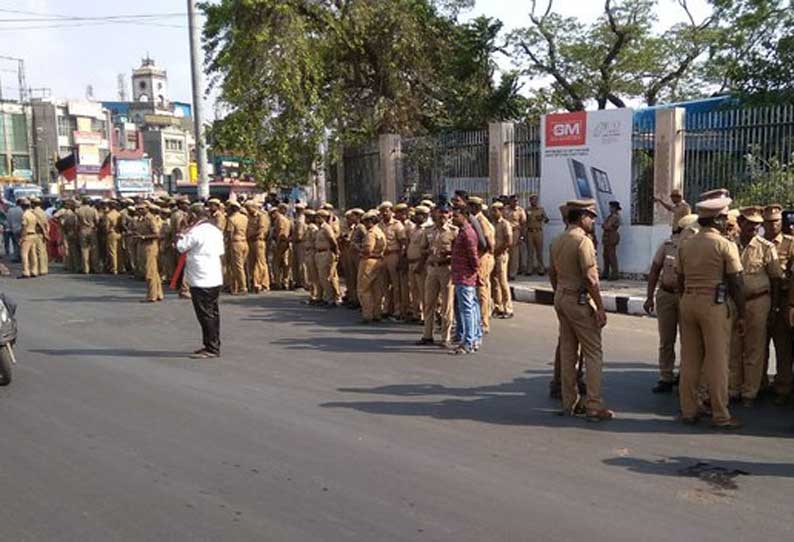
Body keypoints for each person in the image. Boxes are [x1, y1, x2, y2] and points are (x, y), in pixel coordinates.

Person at [676, 194, 744, 429]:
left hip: (688, 301)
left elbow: (680, 278)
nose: (727, 221)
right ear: (716, 220)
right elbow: (736, 281)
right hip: (713, 303)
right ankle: (721, 414)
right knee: (717, 361)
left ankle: (688, 410)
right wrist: (742, 313)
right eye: (724, 217)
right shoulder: (725, 244)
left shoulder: (686, 244)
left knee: (689, 359)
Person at [549, 199, 613, 421]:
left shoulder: (558, 240)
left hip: (562, 297)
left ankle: (569, 403)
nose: (593, 221)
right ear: (582, 217)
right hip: (578, 299)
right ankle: (594, 405)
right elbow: (590, 278)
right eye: (591, 217)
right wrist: (600, 308)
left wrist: (561, 292)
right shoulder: (582, 242)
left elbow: (552, 273)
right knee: (593, 352)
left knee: (568, 351)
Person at [729, 206, 781, 407]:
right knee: (734, 347)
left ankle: (749, 392)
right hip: (735, 302)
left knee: (754, 348)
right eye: (750, 224)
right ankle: (733, 389)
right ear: (741, 223)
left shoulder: (766, 247)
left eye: (757, 225)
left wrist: (774, 308)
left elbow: (776, 279)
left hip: (758, 302)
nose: (754, 228)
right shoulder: (730, 245)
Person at [644, 213, 699, 393]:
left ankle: (685, 375)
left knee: (688, 339)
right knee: (666, 339)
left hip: (686, 296)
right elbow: (654, 271)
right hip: (667, 294)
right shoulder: (667, 246)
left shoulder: (696, 248)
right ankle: (665, 376)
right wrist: (649, 296)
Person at [176, 203, 225, 359]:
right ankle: (211, 344)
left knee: (205, 314)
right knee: (212, 313)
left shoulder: (195, 232)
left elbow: (181, 247)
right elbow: (221, 251)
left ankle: (211, 347)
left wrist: (181, 235)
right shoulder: (215, 230)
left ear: (194, 216)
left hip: (200, 277)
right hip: (213, 275)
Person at [762, 204, 794, 404]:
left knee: (783, 347)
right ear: (763, 223)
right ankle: (759, 383)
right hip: (762, 297)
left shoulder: (790, 243)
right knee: (758, 345)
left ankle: (783, 387)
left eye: (776, 222)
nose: (773, 225)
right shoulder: (758, 243)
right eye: (769, 222)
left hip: (784, 299)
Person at [416, 205, 457, 346]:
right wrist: (428, 252)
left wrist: (446, 255)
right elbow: (422, 249)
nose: (442, 216)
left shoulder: (454, 232)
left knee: (447, 304)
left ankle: (445, 337)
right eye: (440, 213)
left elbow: (458, 253)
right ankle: (427, 335)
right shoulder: (429, 231)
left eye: (445, 213)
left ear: (449, 214)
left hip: (447, 269)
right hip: (432, 269)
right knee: (429, 302)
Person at [451, 206, 481, 355]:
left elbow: (473, 256)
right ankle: (474, 338)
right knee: (472, 307)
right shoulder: (463, 232)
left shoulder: (468, 234)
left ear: (464, 216)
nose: (453, 218)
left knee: (467, 310)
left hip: (465, 276)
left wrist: (475, 271)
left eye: (456, 216)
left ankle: (468, 342)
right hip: (463, 275)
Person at [467, 197, 495, 334]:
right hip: (481, 256)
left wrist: (479, 257)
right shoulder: (476, 220)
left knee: (481, 289)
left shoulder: (481, 221)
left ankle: (484, 322)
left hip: (483, 257)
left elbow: (489, 244)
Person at [378, 201, 407, 320]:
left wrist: (401, 258)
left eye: (387, 210)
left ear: (391, 211)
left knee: (396, 285)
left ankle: (397, 309)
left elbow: (403, 243)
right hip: (382, 256)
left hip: (393, 255)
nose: (384, 213)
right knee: (383, 284)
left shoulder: (397, 225)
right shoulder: (379, 225)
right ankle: (386, 308)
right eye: (382, 211)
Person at [358, 210, 386, 323]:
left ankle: (367, 314)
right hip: (379, 260)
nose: (364, 224)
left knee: (364, 289)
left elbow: (367, 250)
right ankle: (377, 313)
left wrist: (358, 249)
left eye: (365, 221)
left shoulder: (371, 233)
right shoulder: (379, 231)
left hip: (369, 261)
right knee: (377, 289)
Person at [406, 206, 430, 324]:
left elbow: (426, 249)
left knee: (424, 291)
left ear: (425, 216)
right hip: (411, 262)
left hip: (420, 262)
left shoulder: (427, 229)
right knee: (414, 290)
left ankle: (427, 316)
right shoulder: (414, 228)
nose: (416, 216)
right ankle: (417, 313)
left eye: (419, 214)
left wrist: (421, 264)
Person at [490, 201, 514, 319]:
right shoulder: (491, 224)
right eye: (492, 210)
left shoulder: (505, 224)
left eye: (495, 210)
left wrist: (498, 251)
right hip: (492, 255)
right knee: (494, 281)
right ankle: (497, 306)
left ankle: (508, 308)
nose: (493, 212)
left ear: (501, 211)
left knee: (503, 281)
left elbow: (508, 242)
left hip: (501, 255)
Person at [137, 202, 164, 303]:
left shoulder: (150, 219)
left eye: (141, 209)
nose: (139, 211)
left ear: (147, 209)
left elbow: (157, 234)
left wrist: (144, 237)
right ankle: (158, 293)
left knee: (149, 272)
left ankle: (151, 295)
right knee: (154, 271)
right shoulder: (142, 219)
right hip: (144, 245)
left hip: (150, 246)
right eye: (138, 209)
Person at [315, 209, 342, 306]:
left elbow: (332, 240)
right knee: (322, 277)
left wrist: (336, 251)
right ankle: (328, 297)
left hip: (326, 253)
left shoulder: (327, 228)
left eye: (319, 217)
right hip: (320, 253)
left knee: (327, 277)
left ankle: (331, 298)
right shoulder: (320, 228)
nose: (317, 219)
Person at [245, 200, 270, 294]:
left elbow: (262, 230)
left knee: (260, 263)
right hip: (250, 242)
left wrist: (251, 235)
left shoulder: (261, 216)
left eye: (249, 208)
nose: (247, 210)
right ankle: (254, 281)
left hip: (258, 241)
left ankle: (262, 283)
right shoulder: (248, 217)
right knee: (252, 262)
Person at [225, 200, 249, 295]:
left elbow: (230, 233)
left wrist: (227, 244)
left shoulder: (232, 219)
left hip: (236, 242)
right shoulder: (245, 218)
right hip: (244, 242)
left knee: (238, 267)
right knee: (240, 266)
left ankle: (243, 287)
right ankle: (235, 287)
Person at [503, 195, 526, 280]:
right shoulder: (505, 210)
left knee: (514, 255)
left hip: (515, 232)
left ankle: (512, 274)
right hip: (506, 233)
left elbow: (523, 224)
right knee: (505, 253)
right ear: (510, 201)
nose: (515, 202)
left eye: (516, 201)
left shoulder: (520, 210)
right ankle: (505, 272)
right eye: (513, 201)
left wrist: (522, 236)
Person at [525, 193, 549, 275]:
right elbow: (524, 221)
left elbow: (547, 220)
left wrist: (542, 218)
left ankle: (541, 269)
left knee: (539, 252)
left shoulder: (541, 209)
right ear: (530, 201)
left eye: (535, 200)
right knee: (530, 252)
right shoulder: (527, 210)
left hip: (538, 232)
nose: (534, 201)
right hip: (530, 232)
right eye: (532, 200)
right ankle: (529, 270)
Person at [76, 196, 99, 274]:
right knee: (94, 249)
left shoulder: (78, 210)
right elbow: (97, 220)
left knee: (84, 250)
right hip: (92, 230)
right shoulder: (93, 210)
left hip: (82, 230)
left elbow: (76, 223)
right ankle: (95, 267)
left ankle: (85, 269)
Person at [17, 198, 38, 279]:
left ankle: (26, 272)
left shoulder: (25, 215)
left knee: (24, 254)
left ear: (22, 206)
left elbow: (24, 227)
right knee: (33, 254)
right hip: (34, 234)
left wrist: (22, 238)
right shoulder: (32, 214)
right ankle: (34, 271)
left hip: (27, 235)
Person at [601, 200, 621, 280]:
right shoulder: (610, 216)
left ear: (615, 208)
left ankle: (614, 274)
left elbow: (607, 226)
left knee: (611, 256)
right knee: (605, 256)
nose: (610, 208)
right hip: (607, 237)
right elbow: (604, 225)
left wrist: (605, 225)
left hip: (611, 236)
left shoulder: (615, 217)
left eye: (611, 207)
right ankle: (606, 273)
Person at [30, 197, 49, 276]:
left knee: (37, 252)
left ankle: (40, 269)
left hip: (37, 233)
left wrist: (44, 232)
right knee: (43, 251)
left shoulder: (34, 212)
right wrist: (46, 233)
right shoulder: (43, 212)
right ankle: (44, 268)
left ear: (33, 204)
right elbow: (47, 224)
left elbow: (39, 224)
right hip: (43, 233)